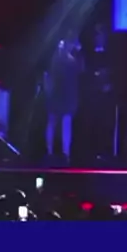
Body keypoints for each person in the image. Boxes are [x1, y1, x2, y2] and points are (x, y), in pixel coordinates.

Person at [44, 35, 83, 164]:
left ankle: (65, 153)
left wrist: (78, 51)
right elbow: (48, 76)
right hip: (57, 94)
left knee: (65, 122)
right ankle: (51, 152)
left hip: (68, 95)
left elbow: (81, 69)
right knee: (53, 122)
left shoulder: (72, 60)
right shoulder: (57, 58)